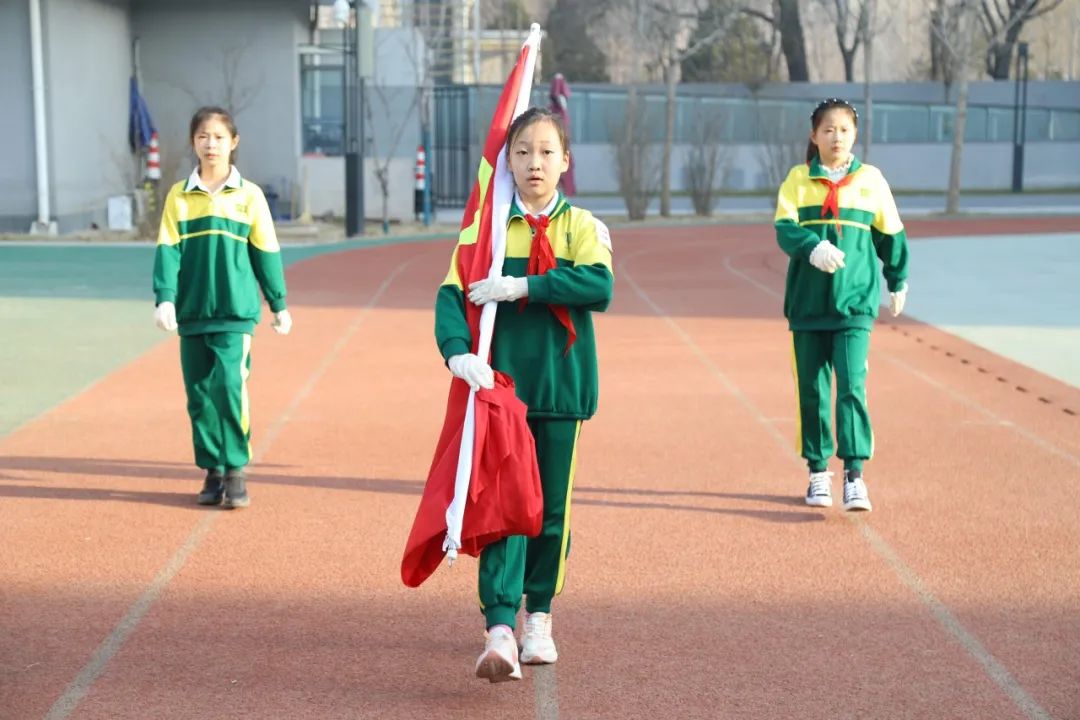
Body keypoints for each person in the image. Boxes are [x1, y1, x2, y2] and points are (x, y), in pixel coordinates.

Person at [435, 107, 614, 682]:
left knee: (550, 512)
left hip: (561, 388)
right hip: (502, 390)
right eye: (522, 152)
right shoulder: (484, 230)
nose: (534, 163)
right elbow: (449, 293)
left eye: (545, 152)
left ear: (565, 161)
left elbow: (598, 285)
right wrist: (457, 350)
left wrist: (523, 287)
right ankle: (500, 626)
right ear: (506, 163)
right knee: (504, 508)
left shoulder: (583, 226)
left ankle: (540, 614)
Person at [774, 97, 910, 513]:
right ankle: (818, 472)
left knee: (852, 388)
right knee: (812, 392)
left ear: (855, 135)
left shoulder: (872, 180)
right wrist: (811, 247)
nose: (837, 137)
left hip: (855, 306)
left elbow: (891, 235)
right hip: (808, 306)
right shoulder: (798, 180)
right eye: (828, 130)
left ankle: (854, 475)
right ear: (814, 136)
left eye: (845, 130)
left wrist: (897, 278)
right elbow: (784, 229)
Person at [152, 106, 292, 509]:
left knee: (229, 387)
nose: (210, 144)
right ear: (193, 143)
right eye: (202, 136)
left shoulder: (250, 196)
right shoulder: (179, 197)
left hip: (236, 313)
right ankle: (212, 469)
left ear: (233, 142)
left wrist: (278, 302)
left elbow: (266, 251)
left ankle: (235, 469)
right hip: (192, 312)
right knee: (198, 395)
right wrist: (165, 296)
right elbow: (167, 252)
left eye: (217, 136)